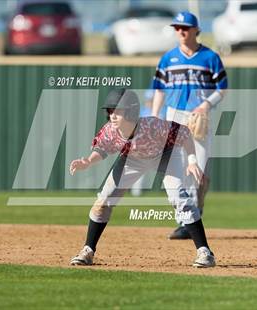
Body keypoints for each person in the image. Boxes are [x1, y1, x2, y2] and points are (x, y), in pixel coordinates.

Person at [70, 89, 215, 268]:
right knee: (103, 201)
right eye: (110, 111)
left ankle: (205, 252)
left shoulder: (152, 126)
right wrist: (87, 161)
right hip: (132, 160)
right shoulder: (110, 131)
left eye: (117, 110)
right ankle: (88, 250)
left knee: (180, 198)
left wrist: (192, 160)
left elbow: (184, 133)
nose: (112, 115)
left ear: (131, 111)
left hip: (166, 155)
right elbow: (101, 149)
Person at [151, 11, 228, 239]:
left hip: (199, 119)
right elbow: (159, 89)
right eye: (177, 28)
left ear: (196, 30)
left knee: (199, 173)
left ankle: (196, 212)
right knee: (176, 172)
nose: (181, 31)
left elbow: (222, 88)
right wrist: (155, 116)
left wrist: (206, 104)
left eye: (185, 28)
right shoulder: (168, 58)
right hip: (174, 118)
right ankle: (185, 221)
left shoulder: (210, 58)